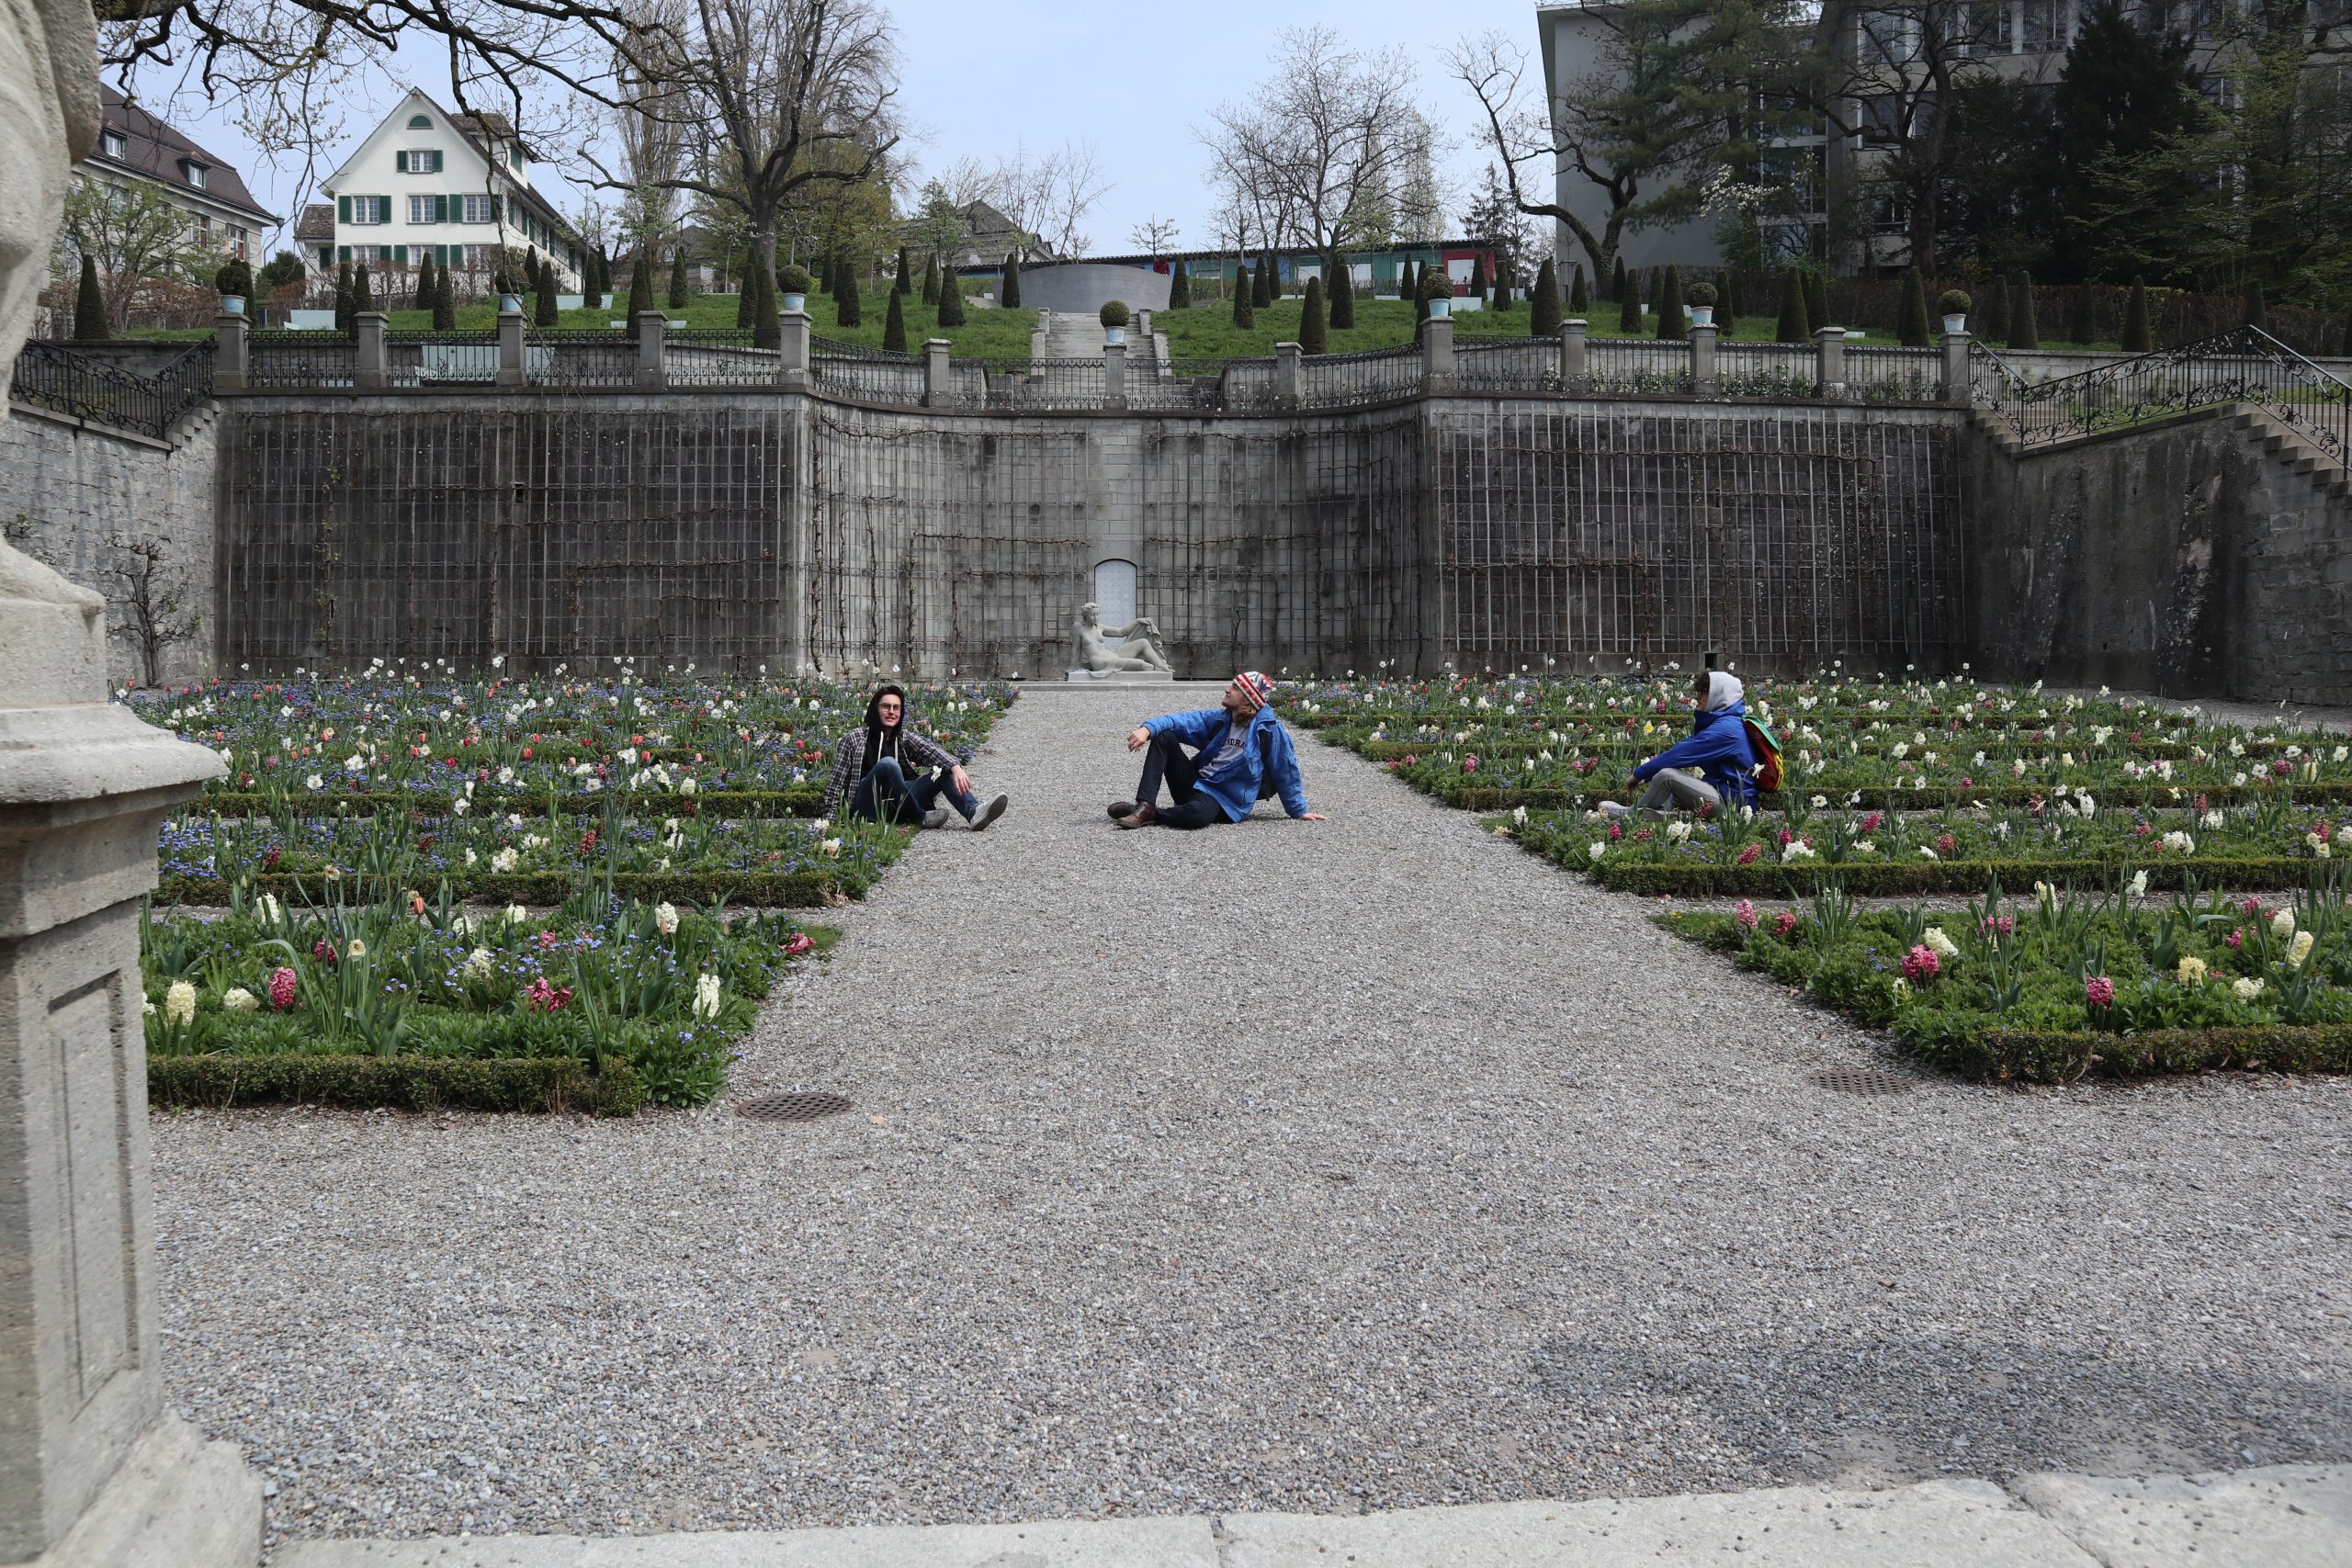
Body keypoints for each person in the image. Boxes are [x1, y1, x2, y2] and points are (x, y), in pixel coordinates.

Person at [1112, 671, 1328, 829]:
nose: (1227, 688)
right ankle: (1145, 805)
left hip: (1224, 798)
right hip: (1196, 783)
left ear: (1248, 698)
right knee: (1165, 735)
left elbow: (1285, 770)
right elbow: (1179, 721)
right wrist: (1146, 729)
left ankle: (1153, 814)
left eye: (1235, 687)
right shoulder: (1220, 719)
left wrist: (1298, 811)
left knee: (1197, 817)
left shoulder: (1268, 732)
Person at [822, 684, 1009, 831]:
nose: (891, 712)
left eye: (896, 708)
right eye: (885, 706)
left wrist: (955, 767)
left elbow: (932, 751)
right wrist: (830, 823)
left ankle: (973, 811)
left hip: (899, 805)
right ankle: (920, 817)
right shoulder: (854, 738)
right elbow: (835, 784)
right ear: (874, 709)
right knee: (888, 765)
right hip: (867, 806)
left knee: (941, 770)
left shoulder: (903, 738)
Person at [1600, 670, 1759, 818]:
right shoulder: (1729, 723)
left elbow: (1681, 753)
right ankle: (1659, 812)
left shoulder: (1728, 729)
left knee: (1666, 775)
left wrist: (1638, 775)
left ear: (1720, 695)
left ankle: (1630, 815)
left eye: (1703, 692)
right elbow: (1684, 749)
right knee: (1664, 767)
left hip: (1733, 806)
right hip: (1728, 796)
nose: (1697, 697)